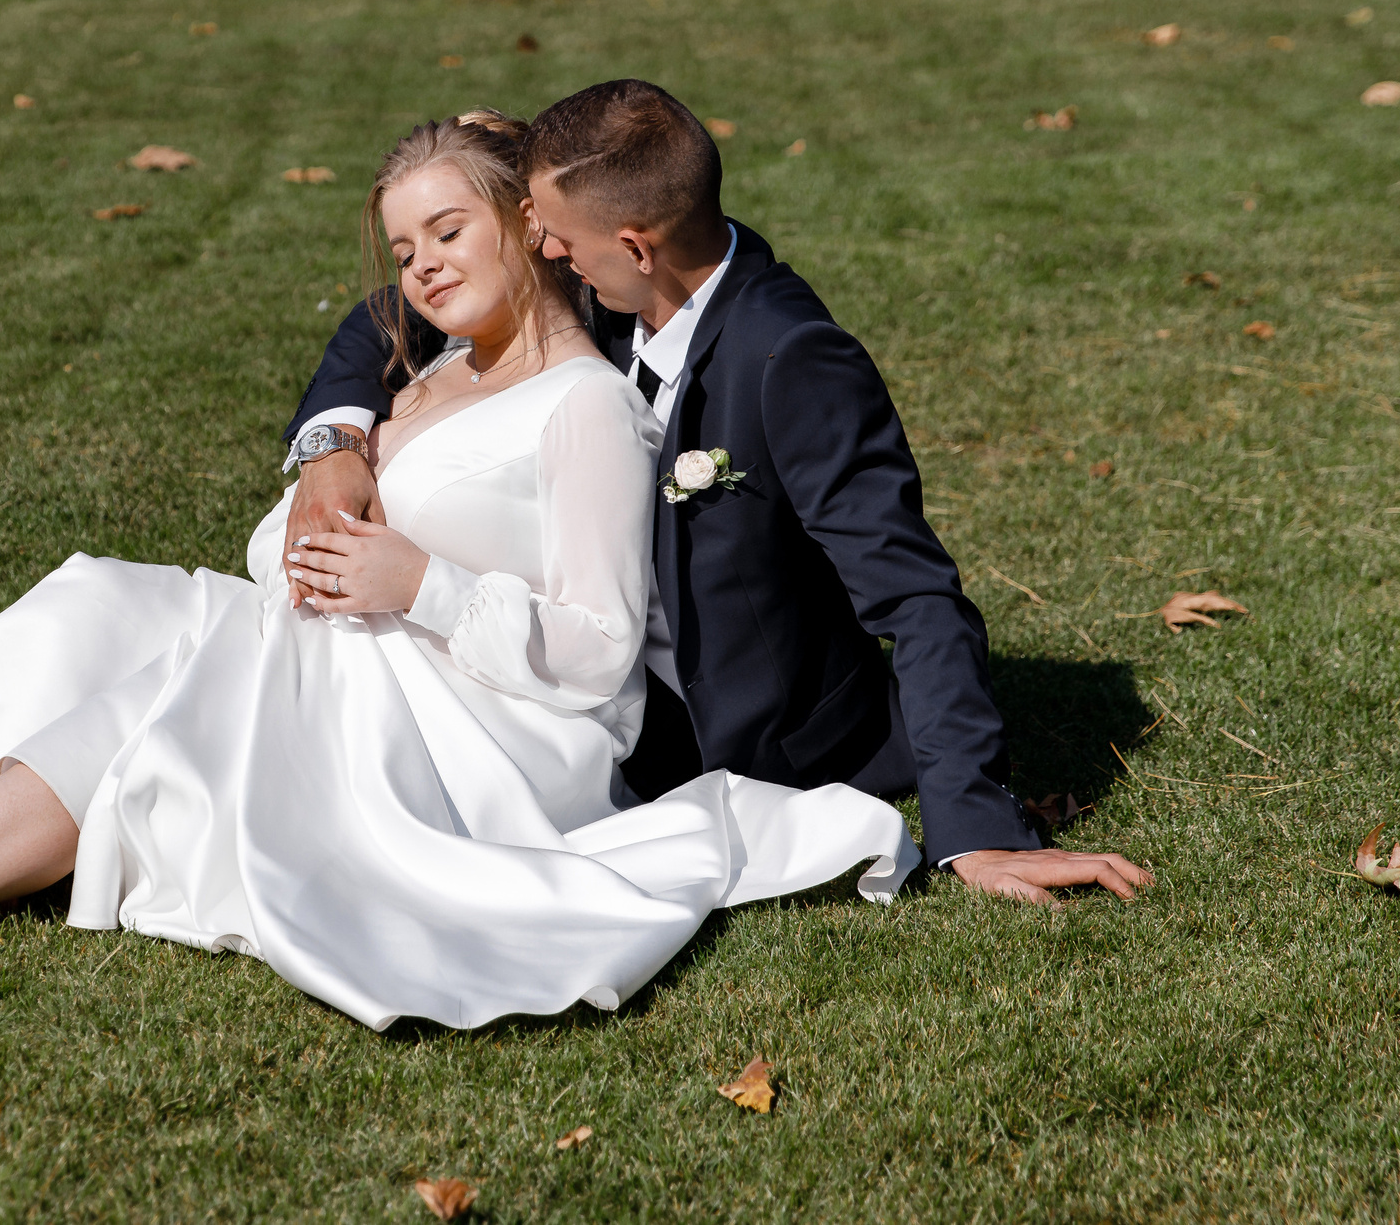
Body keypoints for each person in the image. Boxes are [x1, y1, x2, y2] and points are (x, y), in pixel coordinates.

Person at [0, 111, 920, 1030]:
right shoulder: (431, 372)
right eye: (405, 246)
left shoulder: (582, 406)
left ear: (535, 224)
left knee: (175, 672)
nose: (423, 265)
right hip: (374, 654)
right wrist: (329, 479)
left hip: (492, 731)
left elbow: (596, 655)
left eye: (451, 227)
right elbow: (343, 485)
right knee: (108, 603)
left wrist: (419, 585)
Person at [282, 80, 1149, 906]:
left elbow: (917, 597)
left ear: (631, 247)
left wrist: (974, 825)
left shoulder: (791, 361)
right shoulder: (615, 290)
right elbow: (380, 319)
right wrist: (333, 444)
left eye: (560, 241)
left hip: (743, 738)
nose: (545, 253)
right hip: (569, 686)